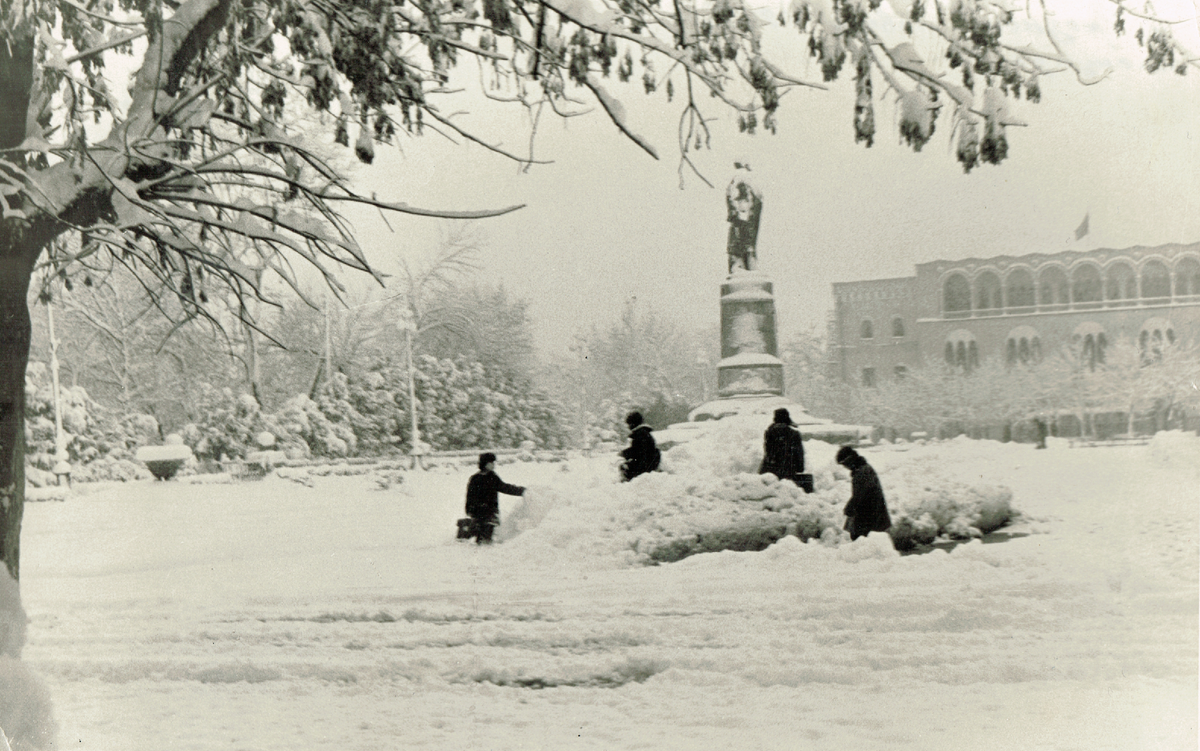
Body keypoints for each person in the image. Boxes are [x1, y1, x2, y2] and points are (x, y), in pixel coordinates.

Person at [464, 452, 525, 544]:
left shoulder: (492, 477)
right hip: (479, 513)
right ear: (485, 464)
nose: (493, 465)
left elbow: (505, 488)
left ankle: (483, 550)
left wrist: (522, 491)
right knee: (483, 538)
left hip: (490, 512)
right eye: (491, 463)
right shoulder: (475, 479)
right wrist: (470, 510)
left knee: (486, 537)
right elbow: (470, 496)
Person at [836, 446, 891, 541]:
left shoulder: (862, 472)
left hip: (870, 515)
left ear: (849, 460)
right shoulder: (862, 469)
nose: (845, 467)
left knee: (863, 540)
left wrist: (849, 508)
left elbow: (860, 495)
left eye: (844, 464)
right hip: (871, 514)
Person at [759, 408, 806, 487]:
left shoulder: (769, 432)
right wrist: (800, 468)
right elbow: (799, 453)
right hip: (789, 469)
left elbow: (767, 451)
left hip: (770, 470)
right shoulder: (794, 434)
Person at [620, 411, 661, 482]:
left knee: (624, 468)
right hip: (649, 464)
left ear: (633, 423)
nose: (628, 426)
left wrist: (624, 453)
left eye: (629, 424)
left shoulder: (640, 435)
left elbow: (637, 451)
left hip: (644, 466)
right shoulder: (644, 433)